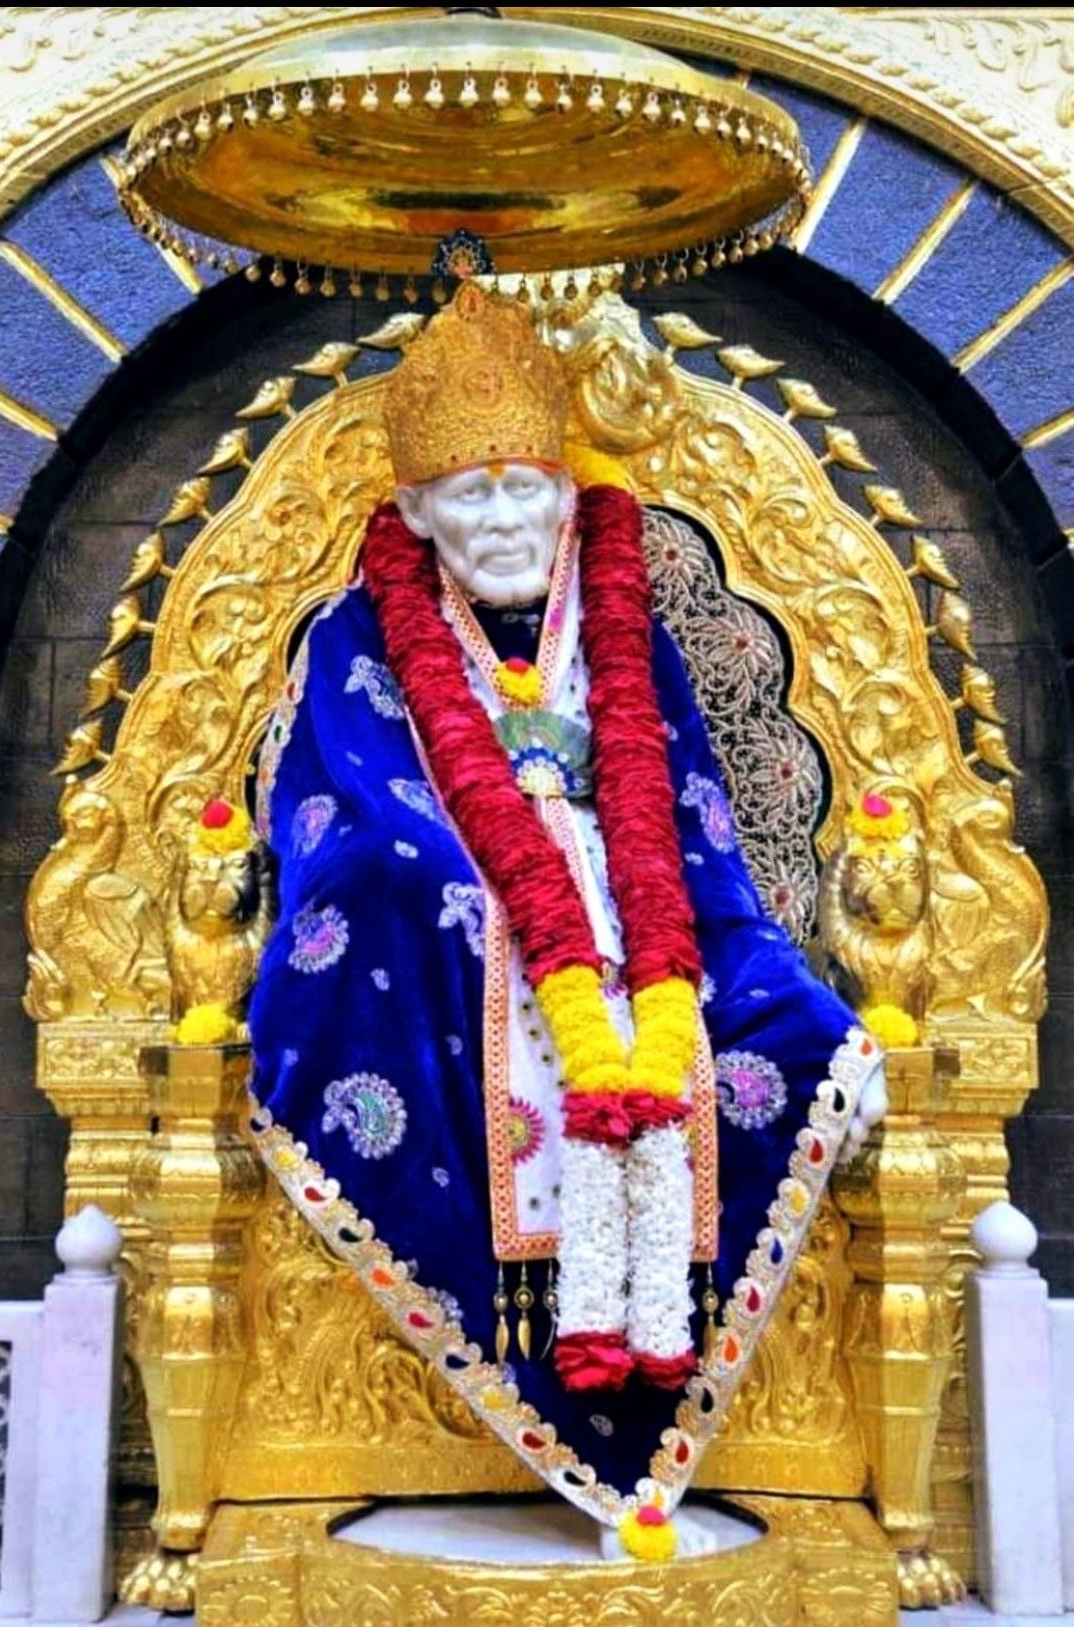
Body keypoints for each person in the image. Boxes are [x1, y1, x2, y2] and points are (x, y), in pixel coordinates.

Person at [247, 282, 886, 1557]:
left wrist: (698, 939)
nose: (501, 518)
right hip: (460, 928)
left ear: (565, 492)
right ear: (418, 511)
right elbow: (354, 813)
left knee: (787, 1043)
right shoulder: (356, 634)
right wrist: (500, 904)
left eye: (522, 488)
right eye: (470, 494)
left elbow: (695, 818)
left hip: (648, 936)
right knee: (405, 904)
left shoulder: (626, 632)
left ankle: (732, 1395)